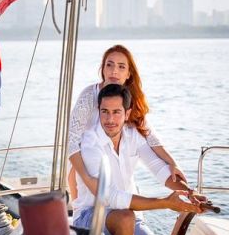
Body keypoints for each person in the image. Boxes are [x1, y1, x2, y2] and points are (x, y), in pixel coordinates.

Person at [72, 84, 204, 235]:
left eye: (116, 112)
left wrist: (189, 192)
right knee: (126, 218)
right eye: (105, 111)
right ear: (99, 111)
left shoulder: (133, 135)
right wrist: (165, 203)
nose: (110, 119)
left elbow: (159, 169)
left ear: (127, 113)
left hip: (128, 215)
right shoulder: (90, 143)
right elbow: (109, 197)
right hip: (90, 214)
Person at [68, 44, 187, 201]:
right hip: (83, 158)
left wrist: (172, 163)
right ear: (102, 69)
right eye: (109, 65)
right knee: (80, 189)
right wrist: (86, 179)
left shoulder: (130, 100)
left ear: (128, 74)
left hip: (114, 155)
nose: (114, 71)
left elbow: (150, 137)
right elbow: (71, 141)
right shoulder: (89, 96)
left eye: (121, 67)